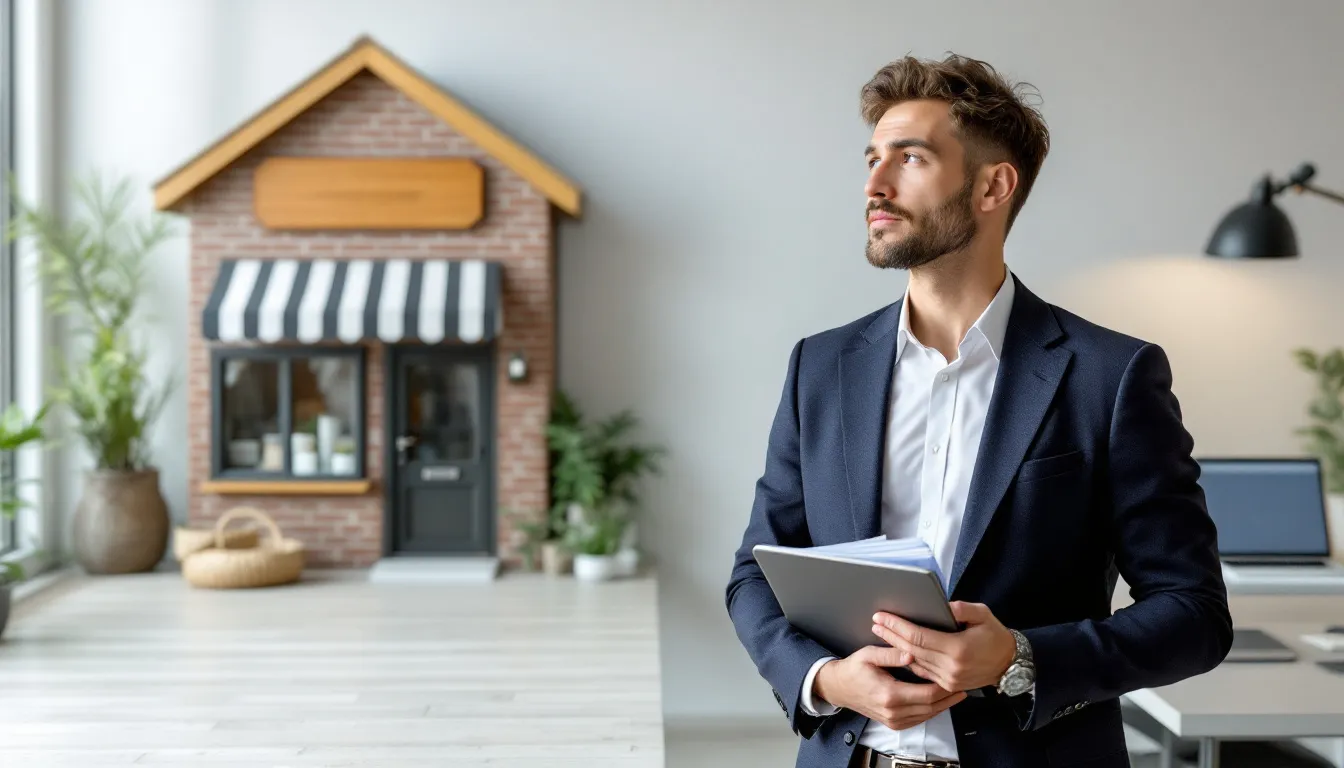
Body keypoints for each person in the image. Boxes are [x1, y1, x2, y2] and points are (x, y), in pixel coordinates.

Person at [724, 53, 1232, 768]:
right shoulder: (822, 367)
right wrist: (825, 678)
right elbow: (754, 574)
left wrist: (1020, 658)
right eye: (872, 160)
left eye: (910, 159)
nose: (874, 185)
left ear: (993, 185)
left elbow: (1194, 614)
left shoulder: (1111, 377)